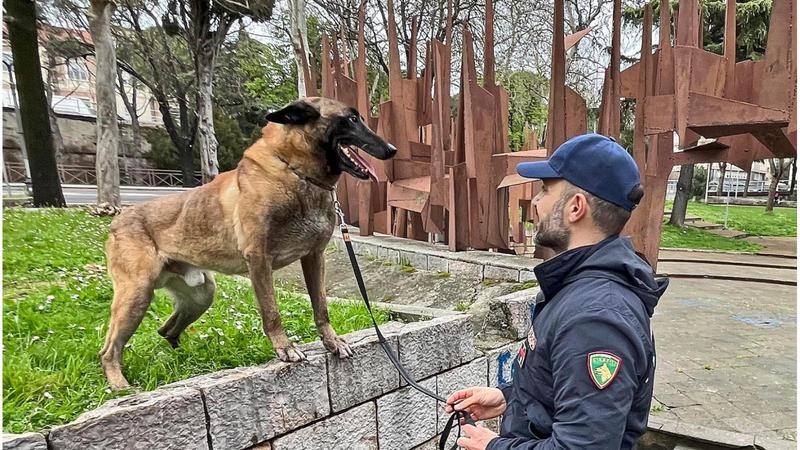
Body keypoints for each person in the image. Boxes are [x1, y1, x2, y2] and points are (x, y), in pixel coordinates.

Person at [446, 133, 669, 450]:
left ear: (576, 207)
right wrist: (507, 399)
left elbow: (583, 447)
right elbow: (563, 393)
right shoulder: (578, 287)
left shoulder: (595, 319)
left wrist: (494, 447)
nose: (535, 202)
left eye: (545, 189)